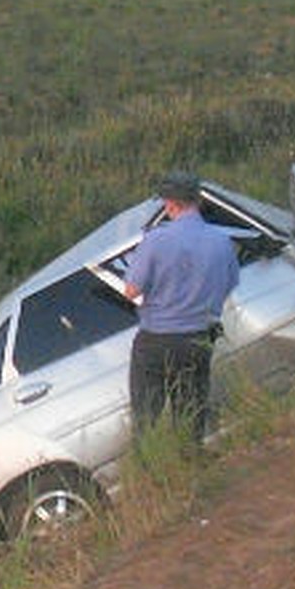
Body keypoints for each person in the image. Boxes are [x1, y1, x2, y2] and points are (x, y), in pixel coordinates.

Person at [123, 171, 240, 443]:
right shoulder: (222, 241)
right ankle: (190, 467)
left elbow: (131, 291)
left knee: (146, 420)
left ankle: (152, 476)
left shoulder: (155, 240)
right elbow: (229, 283)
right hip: (198, 338)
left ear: (170, 204)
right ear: (198, 200)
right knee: (190, 414)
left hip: (156, 340)